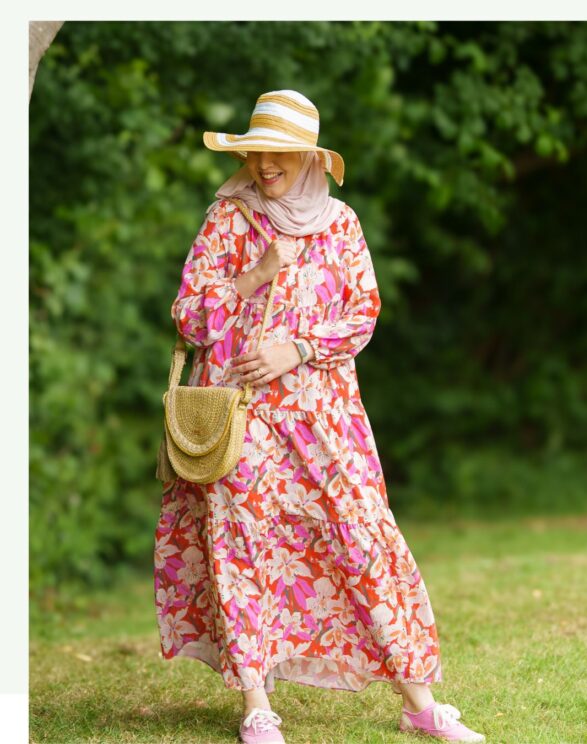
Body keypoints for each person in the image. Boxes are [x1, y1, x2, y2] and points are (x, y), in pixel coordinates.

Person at [153, 90, 486, 744]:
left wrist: (298, 348)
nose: (265, 165)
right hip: (239, 415)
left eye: (278, 153)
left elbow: (363, 313)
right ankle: (256, 707)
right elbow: (188, 318)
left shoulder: (340, 223)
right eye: (256, 154)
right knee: (241, 543)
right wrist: (251, 278)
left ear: (308, 156)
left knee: (361, 535)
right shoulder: (227, 218)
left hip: (323, 414)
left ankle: (419, 704)